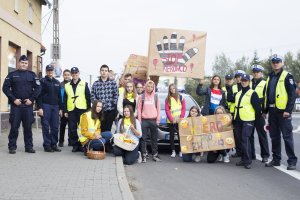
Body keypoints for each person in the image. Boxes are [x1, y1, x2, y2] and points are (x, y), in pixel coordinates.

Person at [2, 55, 41, 154]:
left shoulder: (32, 75)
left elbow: (38, 88)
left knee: (28, 127)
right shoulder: (12, 74)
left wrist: (31, 100)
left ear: (28, 64)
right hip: (16, 106)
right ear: (19, 63)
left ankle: (29, 147)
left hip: (28, 106)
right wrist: (13, 99)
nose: (24, 64)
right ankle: (12, 147)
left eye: (26, 63)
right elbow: (5, 88)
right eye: (22, 63)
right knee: (14, 127)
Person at [264, 54, 297, 170]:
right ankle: (276, 159)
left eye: (278, 61)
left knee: (287, 137)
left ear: (282, 63)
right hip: (272, 111)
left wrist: (288, 110)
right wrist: (265, 110)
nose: (275, 63)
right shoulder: (270, 76)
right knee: (274, 137)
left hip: (283, 112)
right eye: (273, 61)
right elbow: (268, 95)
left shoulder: (287, 76)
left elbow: (292, 95)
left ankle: (292, 161)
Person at [234, 74, 261, 169]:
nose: (243, 82)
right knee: (240, 140)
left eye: (245, 80)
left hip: (248, 120)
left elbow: (257, 109)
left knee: (245, 140)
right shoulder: (238, 93)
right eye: (242, 80)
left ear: (249, 81)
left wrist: (256, 121)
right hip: (238, 120)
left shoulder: (252, 93)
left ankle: (248, 161)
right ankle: (243, 158)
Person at [64, 67, 91, 152]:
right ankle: (75, 145)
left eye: (76, 73)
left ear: (79, 73)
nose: (74, 74)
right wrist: (65, 110)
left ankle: (82, 144)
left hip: (82, 109)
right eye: (73, 73)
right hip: (71, 109)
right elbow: (65, 98)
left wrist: (88, 110)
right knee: (72, 128)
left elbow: (88, 97)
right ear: (71, 75)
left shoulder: (84, 84)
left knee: (82, 128)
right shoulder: (67, 85)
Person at [37, 65, 62, 152]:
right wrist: (39, 108)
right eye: (48, 70)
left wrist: (60, 109)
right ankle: (47, 145)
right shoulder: (42, 81)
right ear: (46, 71)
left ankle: (54, 144)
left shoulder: (57, 82)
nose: (50, 72)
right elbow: (39, 96)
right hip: (45, 106)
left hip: (55, 107)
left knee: (55, 127)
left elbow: (59, 97)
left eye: (51, 70)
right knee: (46, 126)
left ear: (53, 71)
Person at [250, 65, 270, 162]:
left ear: (261, 73)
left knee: (262, 135)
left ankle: (265, 155)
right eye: (254, 71)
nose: (256, 73)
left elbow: (266, 98)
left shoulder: (265, 83)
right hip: (249, 113)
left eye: (258, 71)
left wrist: (265, 111)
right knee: (249, 135)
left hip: (260, 113)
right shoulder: (248, 83)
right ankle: (251, 154)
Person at [138, 80, 161, 162]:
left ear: (153, 87)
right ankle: (144, 155)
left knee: (154, 139)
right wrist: (140, 120)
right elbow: (139, 110)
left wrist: (158, 120)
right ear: (145, 87)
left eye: (151, 86)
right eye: (148, 86)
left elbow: (158, 109)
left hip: (153, 120)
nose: (149, 88)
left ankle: (155, 155)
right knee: (143, 139)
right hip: (144, 120)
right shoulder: (142, 97)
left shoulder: (156, 97)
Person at [91, 64, 118, 132]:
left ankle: (108, 142)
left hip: (110, 110)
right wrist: (96, 104)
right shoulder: (95, 83)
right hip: (100, 110)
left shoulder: (113, 83)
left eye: (106, 70)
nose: (104, 72)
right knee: (100, 128)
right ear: (100, 72)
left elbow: (116, 94)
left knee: (108, 128)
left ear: (108, 72)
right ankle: (101, 142)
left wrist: (113, 104)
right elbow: (92, 95)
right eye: (102, 70)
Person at [226, 70, 245, 158]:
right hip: (234, 113)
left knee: (246, 135)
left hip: (245, 113)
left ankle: (248, 152)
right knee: (236, 134)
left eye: (239, 77)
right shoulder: (233, 87)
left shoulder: (247, 86)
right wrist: (239, 96)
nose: (238, 79)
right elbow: (229, 98)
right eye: (236, 77)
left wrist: (236, 96)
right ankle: (239, 151)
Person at [165, 83, 186, 158]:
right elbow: (167, 110)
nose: (172, 90)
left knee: (180, 136)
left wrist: (181, 118)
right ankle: (173, 151)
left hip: (179, 120)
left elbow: (183, 108)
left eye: (173, 88)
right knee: (172, 136)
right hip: (171, 121)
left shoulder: (181, 97)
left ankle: (181, 151)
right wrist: (171, 119)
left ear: (176, 89)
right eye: (170, 89)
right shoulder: (168, 98)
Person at [59, 69, 71, 147]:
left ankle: (71, 141)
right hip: (63, 108)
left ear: (70, 75)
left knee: (72, 126)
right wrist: (60, 108)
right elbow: (59, 97)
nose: (66, 76)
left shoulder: (72, 84)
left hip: (71, 108)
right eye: (65, 75)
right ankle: (61, 141)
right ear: (63, 75)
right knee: (62, 126)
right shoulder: (60, 85)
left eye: (68, 74)